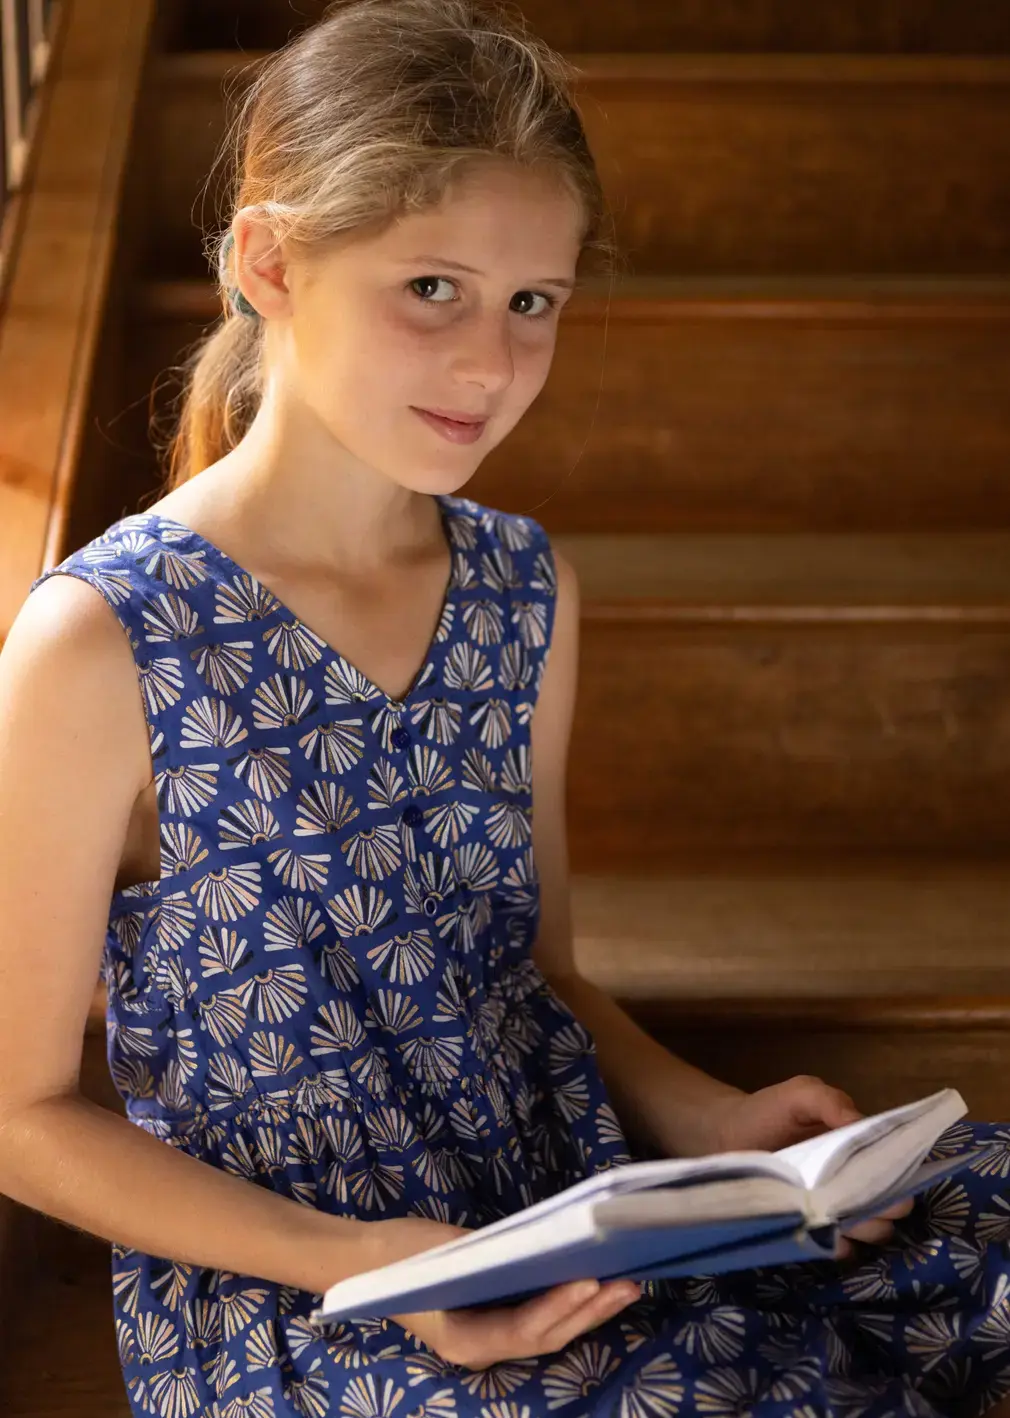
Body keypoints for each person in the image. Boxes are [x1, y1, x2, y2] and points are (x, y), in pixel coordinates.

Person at [0, 1, 1009, 1413]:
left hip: (561, 1205)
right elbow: (19, 1113)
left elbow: (535, 974)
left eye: (532, 301)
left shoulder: (524, 585)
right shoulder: (106, 639)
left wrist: (718, 1123)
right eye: (433, 288)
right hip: (315, 1286)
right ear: (269, 260)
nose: (491, 361)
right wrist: (370, 1259)